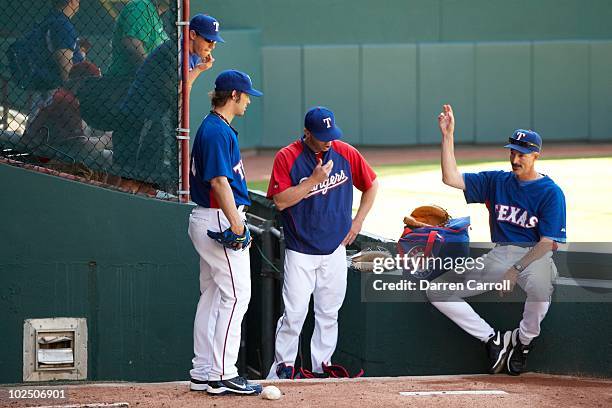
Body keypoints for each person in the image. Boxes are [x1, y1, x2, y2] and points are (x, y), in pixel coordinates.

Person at [427, 104, 567, 376]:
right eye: (513, 152)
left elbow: (547, 243)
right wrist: (448, 136)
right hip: (500, 255)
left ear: (535, 156)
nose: (515, 158)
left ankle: (524, 342)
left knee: (540, 290)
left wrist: (514, 271)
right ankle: (493, 340)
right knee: (437, 291)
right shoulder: (496, 181)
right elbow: (450, 178)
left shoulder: (551, 193)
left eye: (522, 154)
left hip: (535, 255)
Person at [266, 106, 379, 379]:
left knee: (329, 313)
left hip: (334, 250)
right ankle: (283, 368)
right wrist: (313, 181)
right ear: (307, 133)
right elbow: (280, 201)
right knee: (293, 315)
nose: (328, 139)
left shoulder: (345, 152)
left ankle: (321, 367)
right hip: (300, 250)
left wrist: (358, 222)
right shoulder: (287, 156)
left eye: (331, 133)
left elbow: (372, 184)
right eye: (321, 135)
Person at [187, 70, 263, 395]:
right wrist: (237, 224)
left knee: (215, 295)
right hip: (218, 219)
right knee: (237, 294)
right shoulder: (216, 130)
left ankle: (204, 369)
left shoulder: (215, 127)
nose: (248, 100)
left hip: (209, 217)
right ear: (233, 95)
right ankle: (222, 373)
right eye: (246, 95)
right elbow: (219, 182)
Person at [111, 13, 221, 194]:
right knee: (130, 183)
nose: (212, 46)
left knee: (148, 184)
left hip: (153, 124)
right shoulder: (172, 52)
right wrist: (199, 70)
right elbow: (175, 91)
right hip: (139, 122)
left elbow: (182, 96)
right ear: (193, 35)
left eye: (215, 42)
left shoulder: (191, 57)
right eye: (209, 40)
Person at [7, 0, 82, 115]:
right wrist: (73, 96)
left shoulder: (47, 21)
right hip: (57, 97)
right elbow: (65, 65)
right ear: (71, 1)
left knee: (38, 129)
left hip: (44, 94)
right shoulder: (62, 24)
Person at [107, 0, 170, 79]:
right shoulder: (141, 6)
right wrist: (156, 76)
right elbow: (132, 46)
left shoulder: (157, 18)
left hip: (144, 84)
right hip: (125, 82)